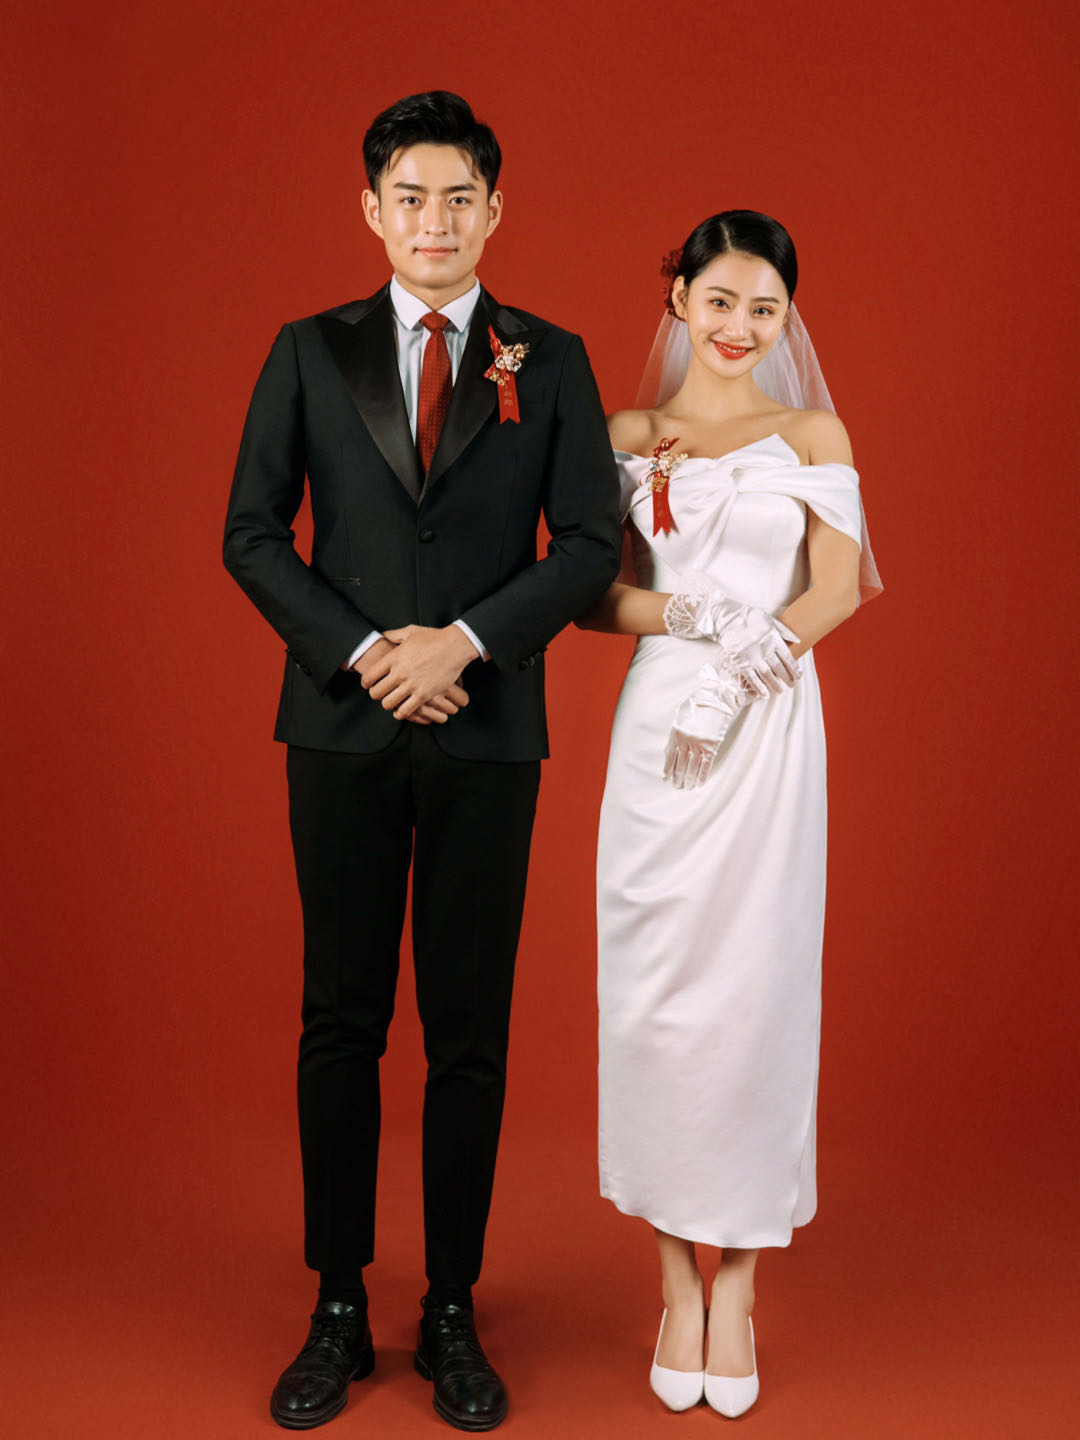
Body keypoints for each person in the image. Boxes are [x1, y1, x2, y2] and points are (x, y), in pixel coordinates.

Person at [223, 91, 621, 1432]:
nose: (434, 221)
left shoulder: (549, 359)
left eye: (459, 198)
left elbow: (588, 542)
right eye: (410, 197)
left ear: (494, 211)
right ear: (372, 210)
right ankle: (337, 1304)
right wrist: (362, 652)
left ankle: (453, 1305)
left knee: (470, 1032)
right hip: (340, 727)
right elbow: (252, 533)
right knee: (340, 1018)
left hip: (488, 729)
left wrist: (462, 643)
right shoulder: (308, 350)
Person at [578, 210, 881, 1417]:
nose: (741, 326)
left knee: (758, 990)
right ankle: (674, 1285)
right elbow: (595, 595)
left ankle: (740, 1287)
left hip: (764, 728)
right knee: (655, 997)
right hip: (660, 735)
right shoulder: (626, 435)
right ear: (678, 303)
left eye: (766, 308)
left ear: (788, 318)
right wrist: (692, 621)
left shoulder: (812, 434)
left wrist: (747, 664)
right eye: (720, 301)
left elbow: (837, 586)